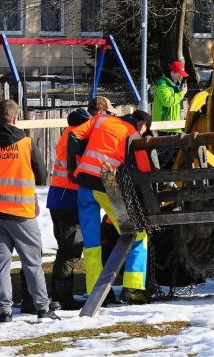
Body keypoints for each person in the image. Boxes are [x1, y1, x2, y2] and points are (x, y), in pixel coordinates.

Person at [0, 99, 58, 323]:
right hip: (21, 212)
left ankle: (4, 311)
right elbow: (42, 175)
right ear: (16, 118)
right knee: (32, 262)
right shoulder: (26, 143)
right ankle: (42, 308)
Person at [68, 108, 153, 305]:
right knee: (137, 234)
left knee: (91, 244)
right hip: (106, 187)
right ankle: (133, 289)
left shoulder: (100, 119)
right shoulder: (132, 134)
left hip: (84, 186)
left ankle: (96, 292)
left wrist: (72, 167)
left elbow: (73, 136)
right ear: (142, 124)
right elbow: (145, 170)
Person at [45, 106, 94, 311]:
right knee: (70, 249)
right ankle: (62, 297)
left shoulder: (67, 135)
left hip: (59, 196)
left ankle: (60, 295)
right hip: (68, 198)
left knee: (67, 248)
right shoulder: (77, 139)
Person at [152, 60, 189, 134]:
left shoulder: (175, 85)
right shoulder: (162, 85)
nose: (180, 77)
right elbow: (168, 102)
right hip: (165, 127)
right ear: (172, 73)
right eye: (179, 75)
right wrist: (182, 93)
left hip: (174, 127)